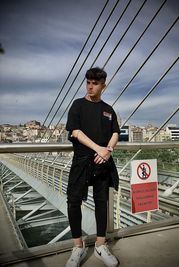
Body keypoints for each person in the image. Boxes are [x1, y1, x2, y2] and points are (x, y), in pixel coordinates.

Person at [65, 67, 120, 267]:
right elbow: (75, 132)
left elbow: (115, 132)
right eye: (88, 82)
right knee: (73, 201)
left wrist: (109, 150)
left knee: (101, 202)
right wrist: (100, 149)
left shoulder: (108, 109)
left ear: (103, 86)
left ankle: (100, 244)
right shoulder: (78, 105)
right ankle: (78, 247)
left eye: (95, 83)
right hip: (81, 160)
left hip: (102, 163)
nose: (90, 86)